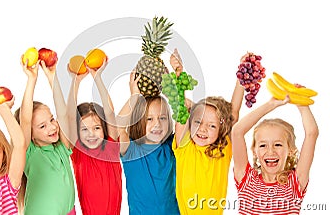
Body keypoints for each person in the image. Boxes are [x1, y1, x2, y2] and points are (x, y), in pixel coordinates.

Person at [171, 48, 245, 214]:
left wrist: (242, 76)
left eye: (212, 125)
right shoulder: (185, 147)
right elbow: (180, 108)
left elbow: (233, 113)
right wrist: (178, 73)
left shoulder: (223, 148)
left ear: (221, 128)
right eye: (198, 122)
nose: (202, 129)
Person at [232, 95, 319, 214]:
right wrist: (271, 104)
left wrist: (301, 104)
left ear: (290, 150)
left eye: (278, 145)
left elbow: (311, 133)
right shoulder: (247, 180)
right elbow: (237, 132)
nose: (270, 151)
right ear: (254, 151)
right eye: (263, 145)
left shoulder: (294, 182)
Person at [15, 58, 75, 215]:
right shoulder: (29, 152)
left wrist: (52, 77)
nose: (52, 127)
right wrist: (32, 79)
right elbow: (26, 120)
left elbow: (64, 115)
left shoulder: (62, 148)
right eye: (42, 126)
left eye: (51, 119)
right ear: (31, 135)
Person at [117, 70, 180, 215]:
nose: (157, 124)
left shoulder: (172, 146)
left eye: (162, 118)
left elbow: (191, 121)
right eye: (149, 119)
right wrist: (134, 97)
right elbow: (116, 128)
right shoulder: (131, 151)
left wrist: (171, 91)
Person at [66, 59, 122, 215]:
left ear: (103, 129)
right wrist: (75, 82)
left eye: (96, 128)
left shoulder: (111, 149)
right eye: (84, 129)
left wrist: (97, 78)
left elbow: (110, 113)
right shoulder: (77, 153)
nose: (91, 134)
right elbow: (70, 117)